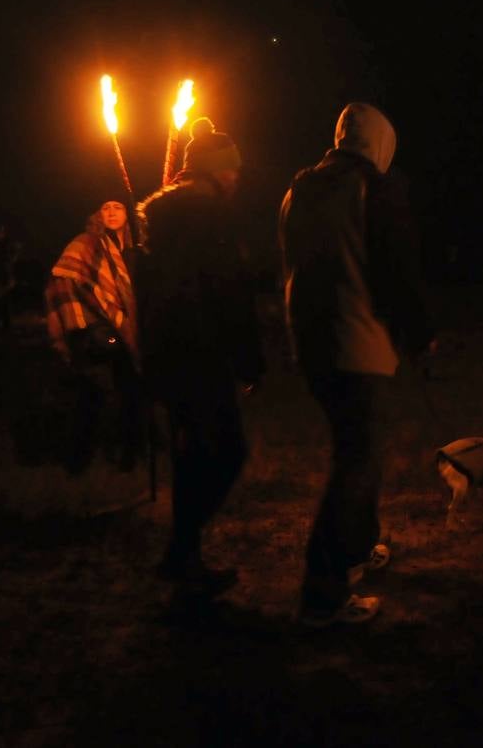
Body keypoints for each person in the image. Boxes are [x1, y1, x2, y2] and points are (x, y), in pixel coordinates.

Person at [280, 102, 434, 627]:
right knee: (356, 460)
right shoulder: (374, 188)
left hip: (313, 344)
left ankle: (360, 546)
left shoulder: (299, 190)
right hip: (358, 341)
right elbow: (395, 269)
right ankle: (323, 594)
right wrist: (420, 336)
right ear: (381, 144)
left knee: (361, 451)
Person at [138, 117, 263, 593]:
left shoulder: (159, 221)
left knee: (193, 456)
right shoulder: (212, 218)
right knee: (228, 452)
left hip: (167, 355)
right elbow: (230, 292)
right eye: (231, 171)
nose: (236, 179)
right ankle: (182, 549)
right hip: (202, 352)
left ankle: (182, 556)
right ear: (215, 172)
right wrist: (249, 360)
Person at [44, 197, 144, 473]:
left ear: (128, 213)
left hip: (124, 328)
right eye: (105, 207)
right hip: (95, 330)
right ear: (97, 213)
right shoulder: (85, 242)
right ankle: (78, 460)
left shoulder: (133, 249)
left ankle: (130, 454)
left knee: (131, 392)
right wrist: (84, 315)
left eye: (118, 207)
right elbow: (63, 277)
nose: (111, 212)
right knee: (92, 392)